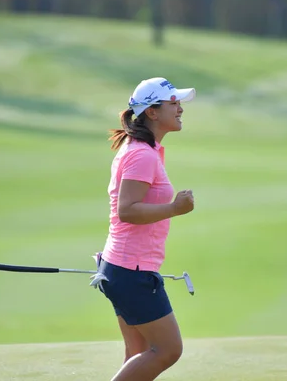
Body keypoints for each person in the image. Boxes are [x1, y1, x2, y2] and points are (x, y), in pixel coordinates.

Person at [94, 77, 197, 381]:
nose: (180, 109)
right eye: (173, 103)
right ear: (152, 112)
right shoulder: (141, 153)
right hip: (131, 271)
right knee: (167, 349)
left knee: (137, 356)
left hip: (122, 267)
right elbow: (127, 211)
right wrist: (174, 209)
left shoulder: (142, 149)